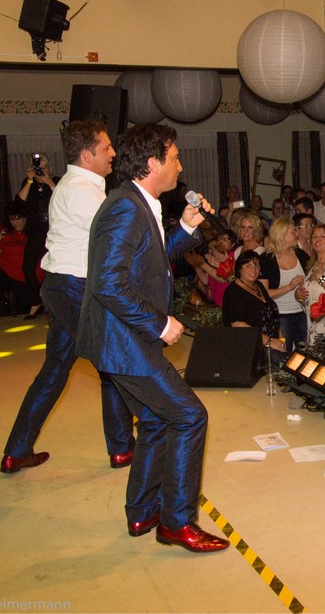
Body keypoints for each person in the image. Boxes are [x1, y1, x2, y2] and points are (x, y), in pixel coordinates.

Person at [75, 123, 228, 552]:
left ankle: (143, 511)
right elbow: (108, 282)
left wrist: (188, 227)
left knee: (159, 421)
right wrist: (159, 323)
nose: (180, 165)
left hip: (123, 339)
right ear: (152, 163)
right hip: (125, 341)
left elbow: (153, 260)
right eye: (174, 157)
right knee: (190, 416)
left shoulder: (139, 201)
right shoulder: (126, 207)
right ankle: (176, 523)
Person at [2, 120, 134, 474]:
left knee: (54, 371)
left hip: (62, 287)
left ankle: (17, 451)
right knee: (114, 365)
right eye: (106, 148)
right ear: (87, 155)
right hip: (77, 289)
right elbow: (115, 242)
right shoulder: (83, 191)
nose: (113, 153)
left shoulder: (71, 185)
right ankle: (122, 448)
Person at [222, 250, 286, 366]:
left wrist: (281, 340)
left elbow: (272, 313)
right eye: (248, 265)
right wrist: (269, 341)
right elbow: (238, 324)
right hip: (250, 348)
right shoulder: (233, 292)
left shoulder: (259, 285)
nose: (254, 269)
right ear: (239, 269)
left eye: (256, 265)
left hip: (272, 344)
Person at [16, 152, 57, 320]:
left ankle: (54, 304)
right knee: (28, 267)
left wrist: (49, 182)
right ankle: (35, 301)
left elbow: (63, 198)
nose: (42, 171)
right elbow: (18, 203)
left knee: (54, 269)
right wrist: (30, 180)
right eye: (39, 168)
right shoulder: (29, 184)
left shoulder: (57, 181)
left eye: (44, 167)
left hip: (53, 229)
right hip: (35, 230)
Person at [259, 218, 309, 353]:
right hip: (280, 316)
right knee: (284, 352)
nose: (297, 234)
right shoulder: (266, 259)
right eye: (293, 231)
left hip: (302, 313)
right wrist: (289, 287)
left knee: (305, 352)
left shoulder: (301, 255)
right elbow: (264, 294)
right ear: (281, 234)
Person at [0, 203, 43, 315]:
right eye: (12, 219)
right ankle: (2, 314)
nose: (15, 223)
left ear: (26, 218)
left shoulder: (34, 231)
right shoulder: (4, 230)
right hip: (8, 271)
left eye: (18, 219)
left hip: (27, 276)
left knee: (25, 310)